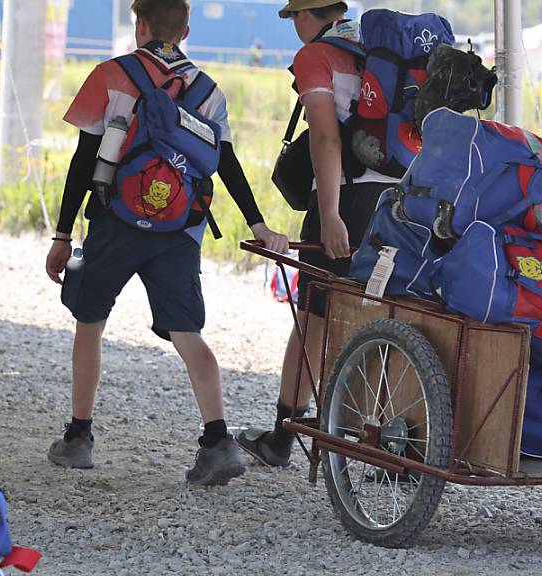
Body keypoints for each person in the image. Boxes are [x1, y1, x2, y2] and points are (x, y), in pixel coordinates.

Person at [44, 0, 289, 485]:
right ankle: (218, 442)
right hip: (179, 228)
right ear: (187, 30)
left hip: (114, 223)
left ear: (139, 23)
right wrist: (258, 223)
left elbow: (83, 161)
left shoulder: (110, 75)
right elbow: (226, 162)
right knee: (187, 333)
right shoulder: (208, 90)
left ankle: (78, 438)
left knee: (89, 321)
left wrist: (62, 233)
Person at [237, 0, 398, 467]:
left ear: (306, 15)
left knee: (314, 316)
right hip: (399, 202)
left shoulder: (316, 56)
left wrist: (329, 213)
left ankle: (287, 437)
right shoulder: (382, 50)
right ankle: (394, 440)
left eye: (292, 19)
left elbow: (325, 138)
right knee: (382, 314)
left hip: (347, 197)